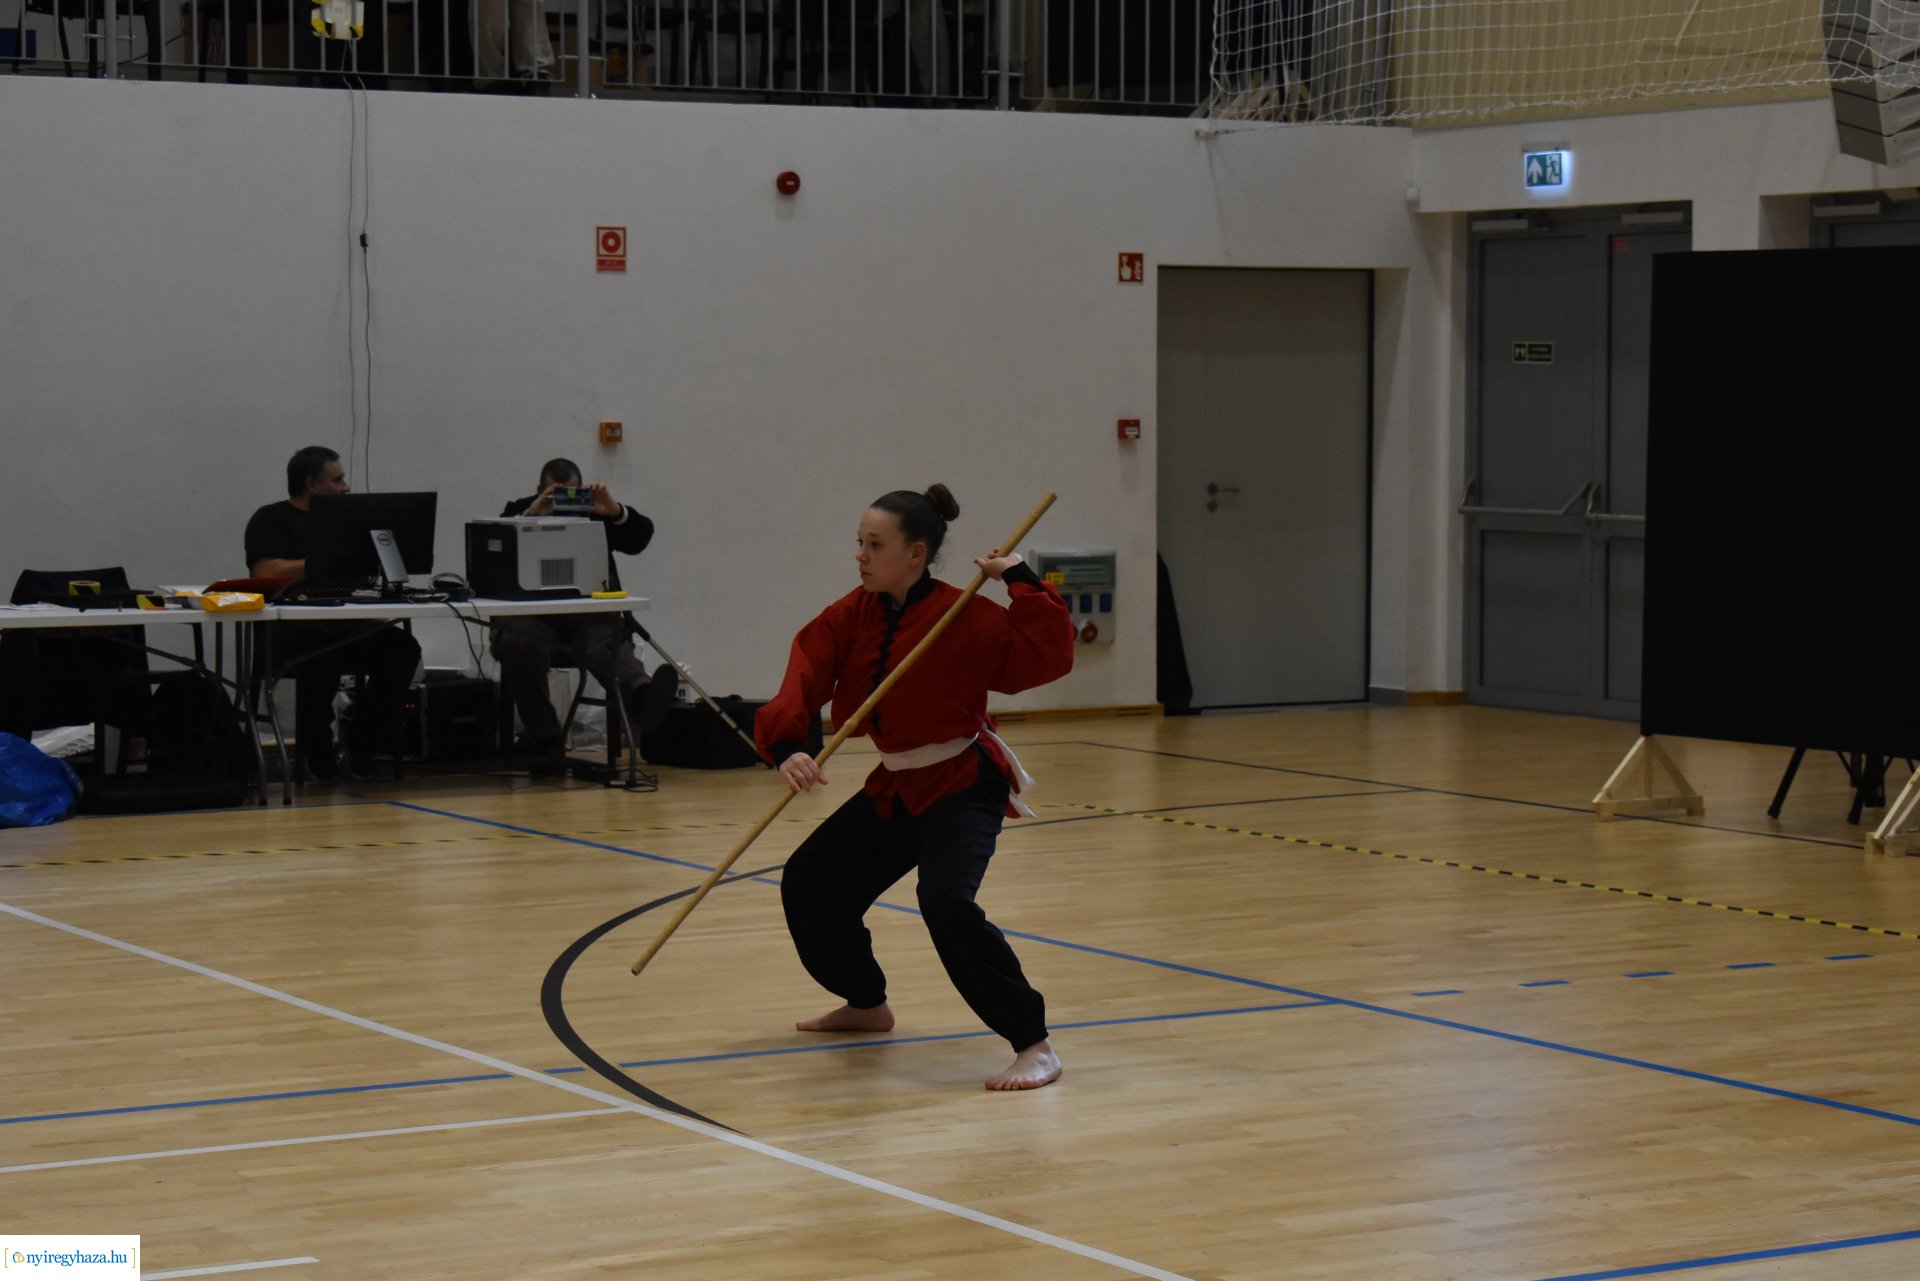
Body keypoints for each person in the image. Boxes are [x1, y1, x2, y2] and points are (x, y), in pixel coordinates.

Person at [754, 484, 1075, 1091]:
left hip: (961, 781)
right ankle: (867, 1002)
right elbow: (804, 674)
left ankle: (1034, 1044)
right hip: (895, 787)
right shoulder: (850, 615)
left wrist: (1020, 579)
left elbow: (1043, 654)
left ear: (916, 554)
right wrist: (788, 747)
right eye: (860, 543)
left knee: (946, 901)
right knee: (812, 881)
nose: (861, 556)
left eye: (875, 545)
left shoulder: (966, 613)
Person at [244, 446, 422, 783]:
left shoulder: (349, 522)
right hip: (291, 626)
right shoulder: (272, 518)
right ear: (312, 484)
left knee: (402, 650)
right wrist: (324, 560)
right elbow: (264, 570)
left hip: (345, 621)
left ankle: (362, 747)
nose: (346, 487)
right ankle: (318, 755)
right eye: (338, 480)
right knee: (319, 648)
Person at [492, 458, 674, 777]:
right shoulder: (521, 510)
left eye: (572, 495)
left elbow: (640, 537)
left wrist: (615, 511)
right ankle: (546, 738)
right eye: (556, 494)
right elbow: (495, 543)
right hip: (535, 617)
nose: (565, 503)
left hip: (590, 614)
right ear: (540, 490)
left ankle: (643, 699)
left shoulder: (597, 513)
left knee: (606, 648)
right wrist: (532, 515)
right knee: (517, 645)